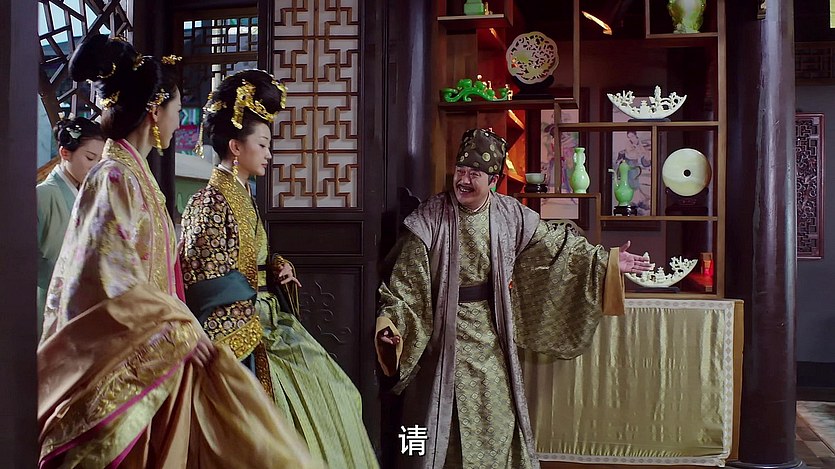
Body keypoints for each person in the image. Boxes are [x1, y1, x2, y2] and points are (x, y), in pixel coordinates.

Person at [38, 34, 317, 468]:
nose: (177, 119)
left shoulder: (135, 175)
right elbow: (112, 278)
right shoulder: (115, 176)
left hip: (163, 343)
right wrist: (184, 330)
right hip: (133, 354)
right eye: (176, 107)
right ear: (155, 110)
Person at [375, 128, 652, 469]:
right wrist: (393, 323)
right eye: (460, 171)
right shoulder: (431, 217)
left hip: (491, 333)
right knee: (436, 424)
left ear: (494, 181)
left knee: (496, 417)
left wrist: (607, 261)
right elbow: (406, 282)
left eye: (474, 175)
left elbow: (559, 247)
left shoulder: (510, 214)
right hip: (442, 335)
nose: (463, 180)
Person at [179, 69, 379, 469]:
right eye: (263, 144)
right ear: (236, 147)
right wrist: (246, 327)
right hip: (241, 329)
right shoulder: (209, 202)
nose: (269, 154)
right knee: (309, 404)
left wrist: (276, 266)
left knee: (340, 392)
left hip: (268, 319)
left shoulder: (243, 195)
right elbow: (203, 279)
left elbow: (253, 256)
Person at [36, 117, 104, 332]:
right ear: (65, 153)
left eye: (100, 160)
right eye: (90, 158)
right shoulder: (42, 196)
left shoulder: (90, 197)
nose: (96, 167)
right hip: (44, 306)